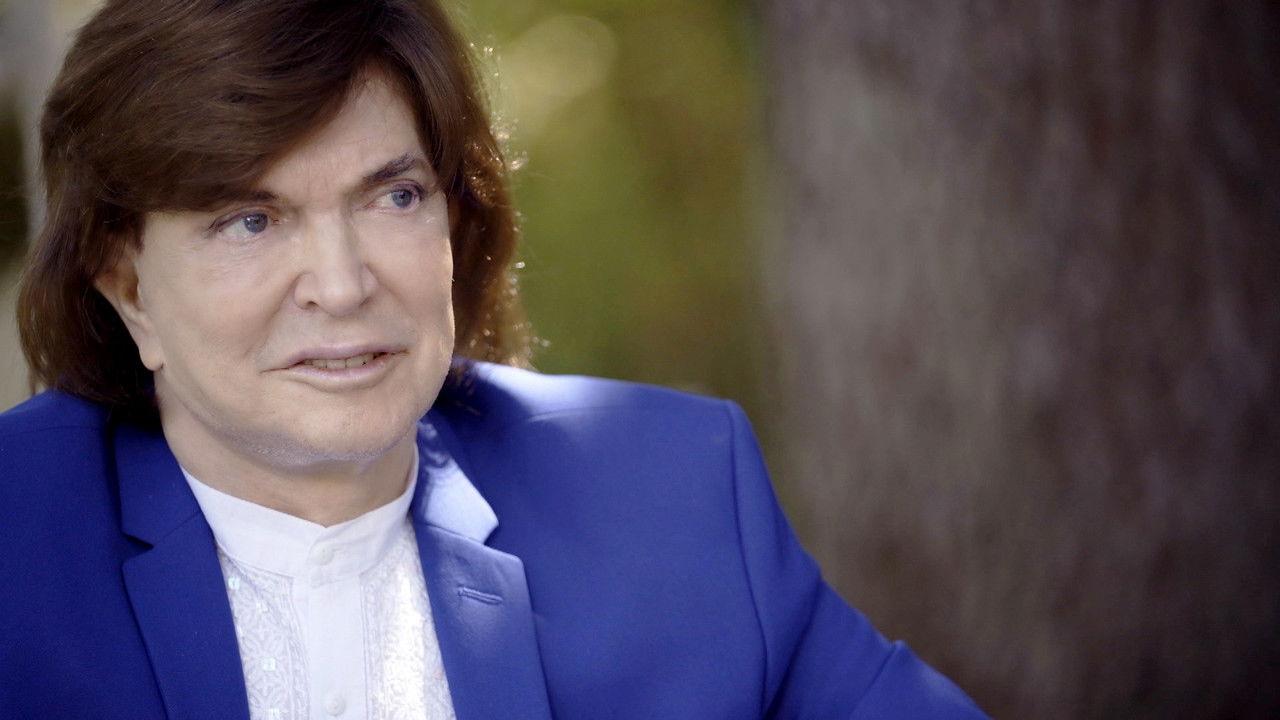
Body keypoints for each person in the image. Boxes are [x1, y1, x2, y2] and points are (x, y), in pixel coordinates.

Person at [0, 1, 986, 718]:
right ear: (128, 287)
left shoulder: (671, 493)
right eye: (250, 220)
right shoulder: (20, 545)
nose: (340, 285)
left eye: (393, 197)